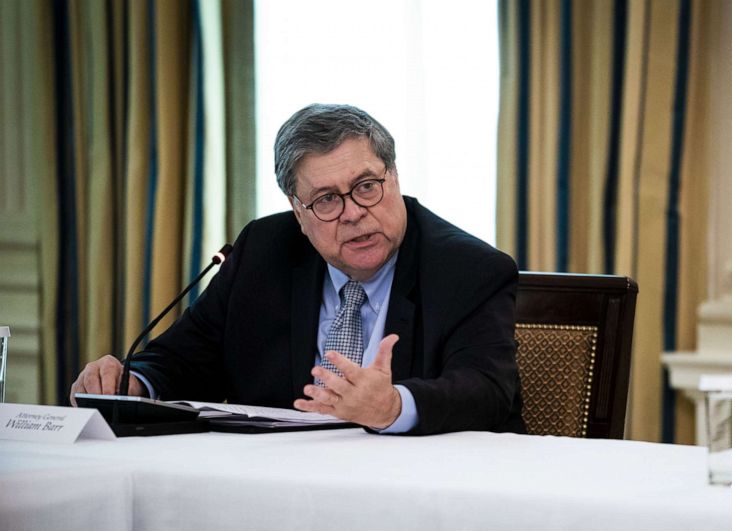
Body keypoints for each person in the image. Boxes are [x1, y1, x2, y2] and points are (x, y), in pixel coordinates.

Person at [70, 104, 525, 435]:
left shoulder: (469, 269)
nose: (352, 213)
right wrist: (133, 380)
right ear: (297, 210)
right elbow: (186, 357)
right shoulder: (264, 251)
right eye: (326, 199)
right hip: (279, 486)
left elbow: (486, 390)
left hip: (420, 491)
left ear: (395, 178)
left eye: (366, 187)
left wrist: (391, 406)